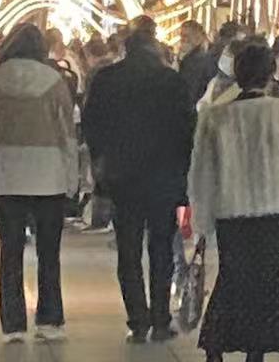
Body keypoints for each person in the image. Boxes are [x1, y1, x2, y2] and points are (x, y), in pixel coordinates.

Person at [188, 41, 279, 362]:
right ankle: (256, 351)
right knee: (268, 282)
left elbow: (201, 171)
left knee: (232, 277)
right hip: (274, 212)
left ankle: (215, 344)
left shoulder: (215, 116)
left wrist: (201, 219)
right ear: (270, 73)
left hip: (231, 211)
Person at [81, 21, 197, 343]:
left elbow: (91, 125)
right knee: (161, 247)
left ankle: (137, 319)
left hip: (123, 176)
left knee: (128, 250)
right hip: (164, 176)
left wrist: (102, 161)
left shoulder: (107, 79)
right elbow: (187, 128)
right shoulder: (171, 81)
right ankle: (161, 318)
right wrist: (182, 170)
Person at [0, 21, 78, 343]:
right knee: (49, 252)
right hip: (49, 174)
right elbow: (67, 133)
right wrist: (72, 177)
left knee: (10, 253)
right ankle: (49, 319)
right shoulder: (54, 81)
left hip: (7, 173)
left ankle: (13, 324)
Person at [177, 20, 211, 105]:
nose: (183, 39)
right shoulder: (190, 58)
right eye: (181, 36)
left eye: (186, 36)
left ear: (198, 38)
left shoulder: (195, 61)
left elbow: (191, 91)